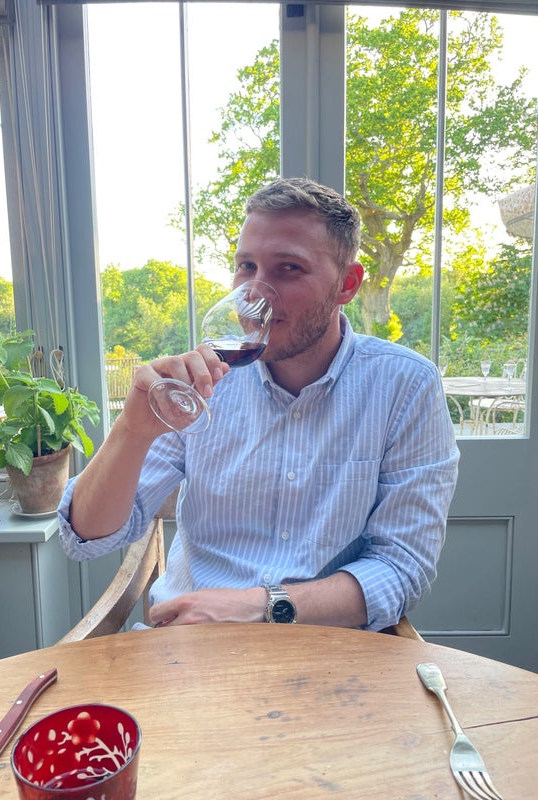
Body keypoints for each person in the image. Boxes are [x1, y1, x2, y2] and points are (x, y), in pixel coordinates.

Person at [58, 176, 459, 631]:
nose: (254, 292)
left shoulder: (404, 384)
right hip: (189, 646)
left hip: (329, 649)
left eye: (288, 268)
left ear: (347, 284)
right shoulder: (201, 382)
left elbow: (402, 566)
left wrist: (260, 606)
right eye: (246, 266)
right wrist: (131, 432)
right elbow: (87, 538)